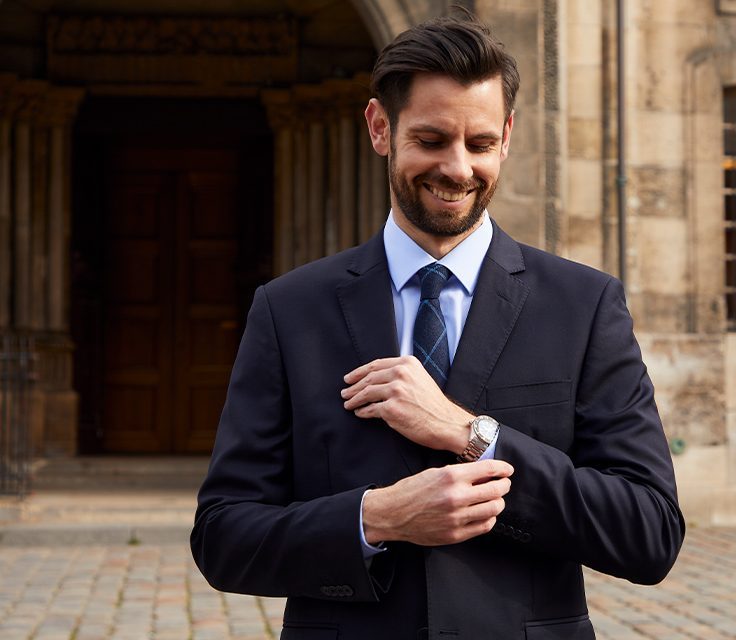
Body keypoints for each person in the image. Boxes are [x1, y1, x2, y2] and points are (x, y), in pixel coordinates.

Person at [191, 13, 684, 640]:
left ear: (506, 136)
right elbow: (223, 537)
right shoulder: (290, 309)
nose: (457, 169)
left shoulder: (583, 306)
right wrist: (375, 519)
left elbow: (650, 533)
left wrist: (471, 433)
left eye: (479, 144)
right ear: (379, 128)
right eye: (430, 140)